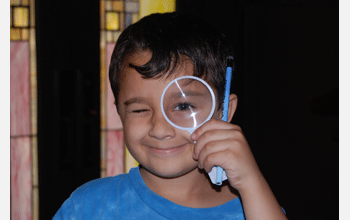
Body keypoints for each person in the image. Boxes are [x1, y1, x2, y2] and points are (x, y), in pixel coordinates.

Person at [53, 12, 287, 219]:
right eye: (140, 110)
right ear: (120, 112)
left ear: (224, 110)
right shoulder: (89, 208)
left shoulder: (256, 207)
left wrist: (249, 181)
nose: (160, 129)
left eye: (183, 107)